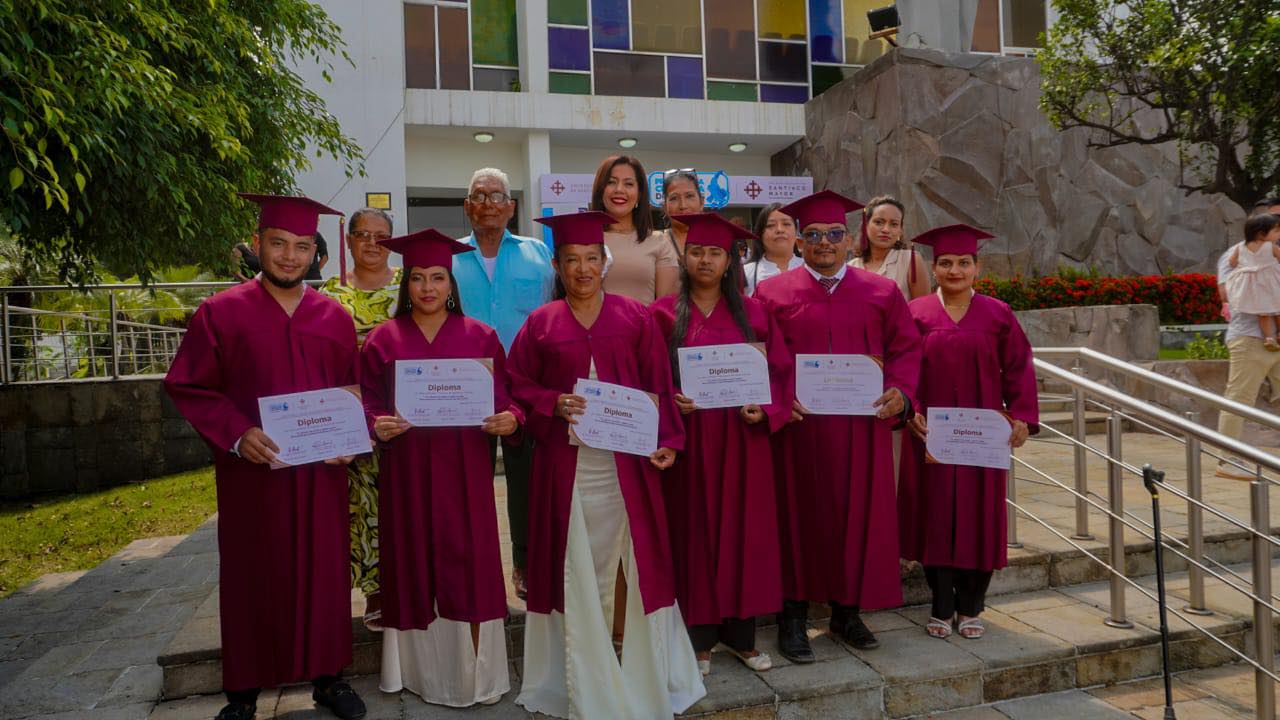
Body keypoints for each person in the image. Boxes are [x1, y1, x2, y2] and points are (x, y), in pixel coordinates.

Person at [164, 194, 366, 720]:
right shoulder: (220, 313)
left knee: (323, 571)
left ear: (315, 253)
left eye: (301, 246)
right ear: (257, 244)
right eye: (278, 244)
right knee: (252, 573)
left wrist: (351, 437)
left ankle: (329, 678)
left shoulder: (335, 317)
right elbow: (191, 386)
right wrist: (236, 434)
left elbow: (354, 391)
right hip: (252, 473)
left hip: (319, 474)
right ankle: (244, 691)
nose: (289, 256)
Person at [507, 211, 706, 718]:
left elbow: (658, 383)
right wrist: (551, 402)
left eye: (591, 259)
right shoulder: (541, 323)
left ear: (604, 263)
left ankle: (637, 662)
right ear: (557, 266)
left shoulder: (634, 317)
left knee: (636, 560)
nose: (583, 269)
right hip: (566, 464)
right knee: (573, 561)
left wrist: (669, 439)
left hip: (628, 463)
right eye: (572, 260)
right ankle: (581, 668)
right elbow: (516, 384)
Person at [753, 189, 921, 661]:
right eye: (812, 235)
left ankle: (847, 612)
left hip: (860, 430)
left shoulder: (881, 292)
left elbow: (906, 349)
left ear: (849, 239)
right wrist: (778, 401)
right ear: (799, 242)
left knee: (857, 517)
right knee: (796, 519)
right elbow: (759, 356)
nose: (823, 242)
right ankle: (792, 616)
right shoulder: (772, 293)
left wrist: (901, 392)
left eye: (832, 234)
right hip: (798, 431)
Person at [360, 229, 520, 707]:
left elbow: (507, 398)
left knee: (468, 562)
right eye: (417, 278)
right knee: (410, 560)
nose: (427, 287)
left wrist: (511, 417)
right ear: (405, 284)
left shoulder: (480, 336)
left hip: (464, 469)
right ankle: (418, 674)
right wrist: (375, 423)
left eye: (437, 277)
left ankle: (475, 677)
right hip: (406, 470)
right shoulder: (383, 339)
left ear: (451, 284)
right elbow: (367, 401)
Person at [650, 213, 790, 677]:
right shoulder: (662, 315)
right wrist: (673, 399)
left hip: (743, 443)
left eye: (715, 253)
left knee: (744, 535)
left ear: (731, 261)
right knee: (695, 533)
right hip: (690, 443)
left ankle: (742, 637)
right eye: (696, 252)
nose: (705, 260)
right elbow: (650, 378)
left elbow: (781, 374)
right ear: (684, 258)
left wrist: (766, 410)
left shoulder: (755, 314)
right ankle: (700, 639)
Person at [896, 224, 1039, 640]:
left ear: (978, 267)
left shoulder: (998, 314)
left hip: (983, 438)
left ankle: (972, 605)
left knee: (980, 517)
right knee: (935, 516)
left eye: (963, 262)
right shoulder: (917, 313)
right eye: (945, 263)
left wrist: (1021, 416)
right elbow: (903, 368)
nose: (954, 270)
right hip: (932, 436)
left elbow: (1019, 368)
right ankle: (941, 605)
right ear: (934, 268)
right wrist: (910, 409)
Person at [452, 167, 555, 600]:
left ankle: (525, 563)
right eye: (479, 195)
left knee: (526, 481)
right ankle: (467, 565)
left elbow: (552, 316)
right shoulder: (449, 258)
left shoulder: (538, 255)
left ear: (511, 207)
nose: (488, 204)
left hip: (524, 384)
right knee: (464, 481)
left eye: (497, 196)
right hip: (463, 388)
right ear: (467, 206)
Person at [319, 207, 401, 629]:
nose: (372, 243)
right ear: (349, 240)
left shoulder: (410, 285)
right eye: (363, 234)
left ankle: (416, 581)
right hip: (351, 412)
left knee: (409, 498)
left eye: (380, 235)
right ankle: (375, 591)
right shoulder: (329, 294)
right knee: (364, 502)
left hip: (405, 410)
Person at [590, 155, 680, 303]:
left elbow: (666, 307)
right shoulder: (585, 240)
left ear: (639, 194)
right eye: (611, 182)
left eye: (629, 184)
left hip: (644, 319)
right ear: (600, 190)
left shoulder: (659, 242)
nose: (619, 189)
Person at [849, 195, 930, 300]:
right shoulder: (851, 268)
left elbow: (922, 307)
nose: (886, 229)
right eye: (879, 222)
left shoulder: (909, 260)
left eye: (894, 224)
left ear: (900, 230)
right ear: (866, 225)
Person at [1224, 213, 1280, 349]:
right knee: (1278, 309)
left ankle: (1269, 338)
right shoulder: (1271, 247)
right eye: (1276, 231)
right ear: (1261, 233)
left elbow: (1232, 262)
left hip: (1252, 287)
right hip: (1271, 283)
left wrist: (1245, 266)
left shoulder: (1241, 247)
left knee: (1263, 313)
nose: (1279, 234)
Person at [743, 202, 803, 296]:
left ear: (796, 232)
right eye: (770, 225)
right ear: (760, 234)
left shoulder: (812, 269)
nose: (779, 229)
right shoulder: (745, 273)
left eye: (786, 224)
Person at [660, 169, 705, 264]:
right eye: (674, 198)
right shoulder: (654, 242)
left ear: (702, 202)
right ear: (665, 207)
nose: (683, 206)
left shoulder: (720, 241)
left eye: (689, 196)